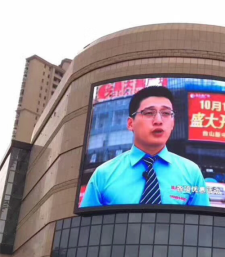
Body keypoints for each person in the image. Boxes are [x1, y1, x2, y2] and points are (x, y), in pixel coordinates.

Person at [81, 86, 210, 207]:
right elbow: (87, 226)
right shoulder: (103, 174)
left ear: (172, 123)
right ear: (131, 124)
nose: (158, 120)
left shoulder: (191, 173)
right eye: (149, 113)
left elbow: (202, 225)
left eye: (166, 113)